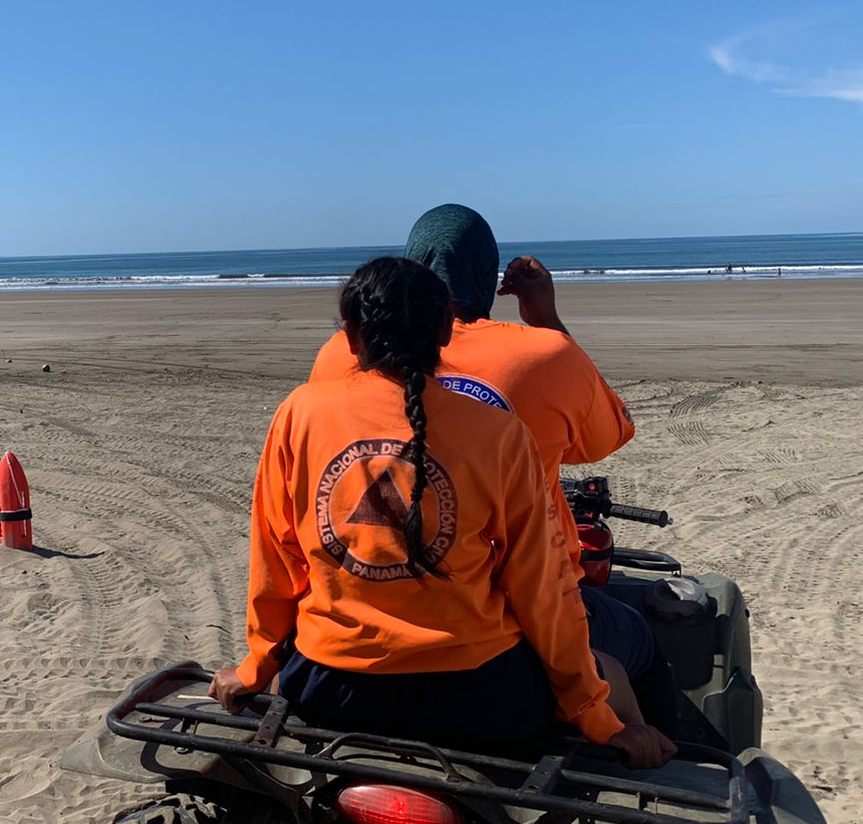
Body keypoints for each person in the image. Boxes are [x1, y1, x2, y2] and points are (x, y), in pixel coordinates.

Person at [211, 257, 675, 768]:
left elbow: (277, 561)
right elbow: (541, 590)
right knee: (626, 666)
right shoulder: (500, 434)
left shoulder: (299, 412)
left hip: (328, 688)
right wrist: (596, 716)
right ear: (445, 334)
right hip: (477, 699)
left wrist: (256, 667)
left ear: (350, 335)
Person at [308, 205, 672, 731]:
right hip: (485, 639)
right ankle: (668, 766)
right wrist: (546, 322)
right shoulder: (543, 357)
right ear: (485, 274)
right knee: (639, 639)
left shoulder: (340, 356)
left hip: (351, 628)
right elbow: (609, 435)